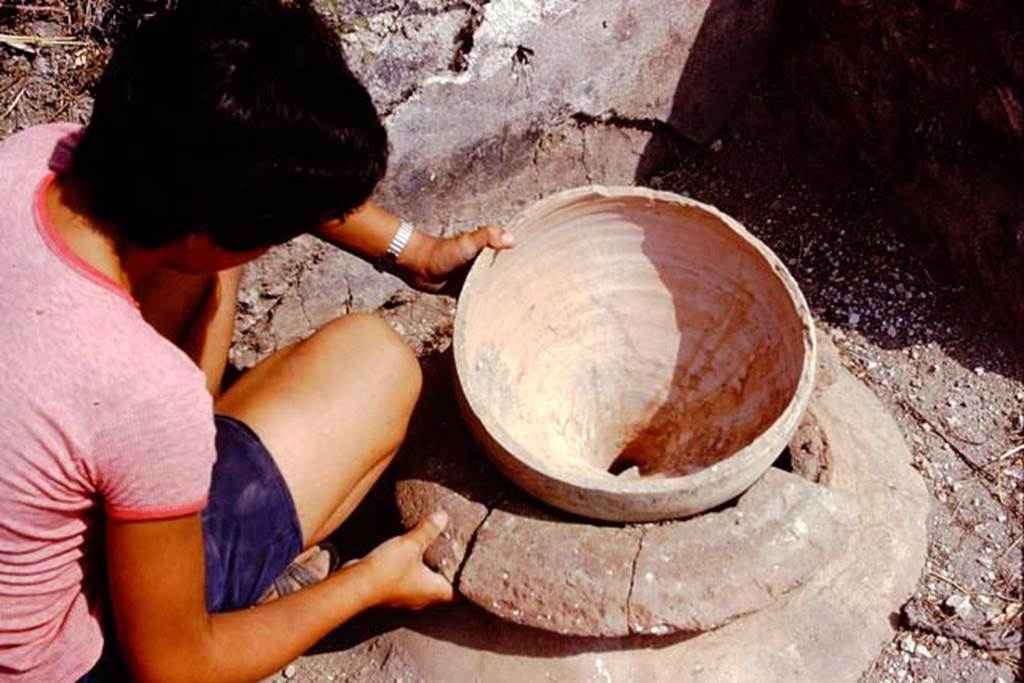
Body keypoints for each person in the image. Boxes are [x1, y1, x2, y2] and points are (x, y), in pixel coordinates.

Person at [0, 1, 515, 680]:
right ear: (202, 231)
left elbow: (231, 164)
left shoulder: (36, 156)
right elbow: (176, 667)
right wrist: (366, 583)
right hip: (63, 666)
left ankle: (148, 489)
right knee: (377, 366)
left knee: (206, 284)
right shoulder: (146, 392)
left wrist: (412, 250)